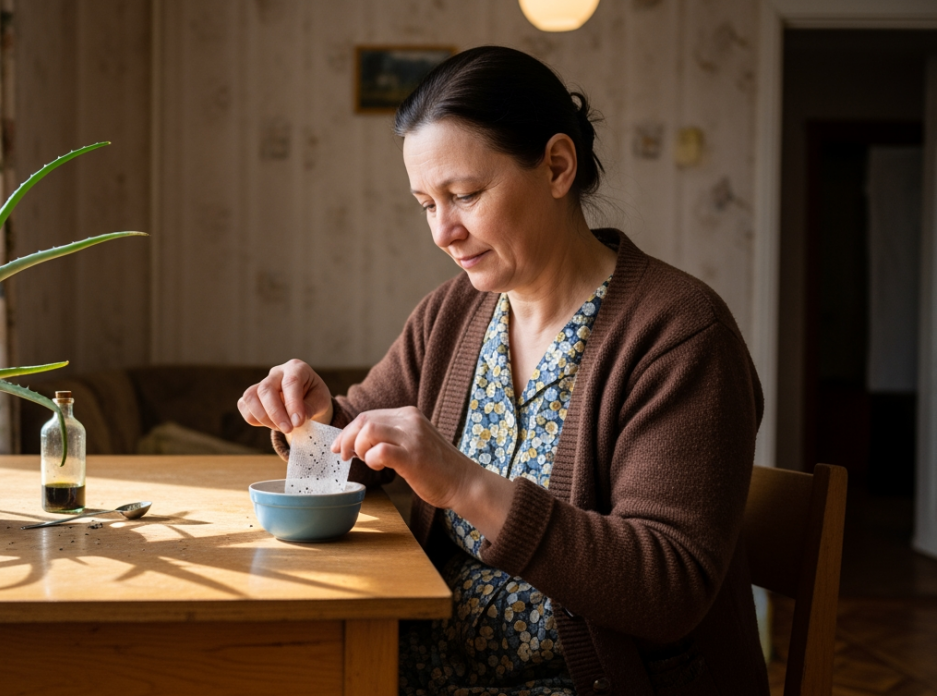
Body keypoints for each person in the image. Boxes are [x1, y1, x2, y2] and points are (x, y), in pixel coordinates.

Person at [238, 46, 767, 695]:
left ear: (556, 166)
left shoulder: (679, 334)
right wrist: (319, 420)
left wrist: (464, 484)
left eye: (464, 195)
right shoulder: (455, 312)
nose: (443, 233)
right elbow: (360, 450)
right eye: (426, 204)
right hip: (423, 659)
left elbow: (667, 588)